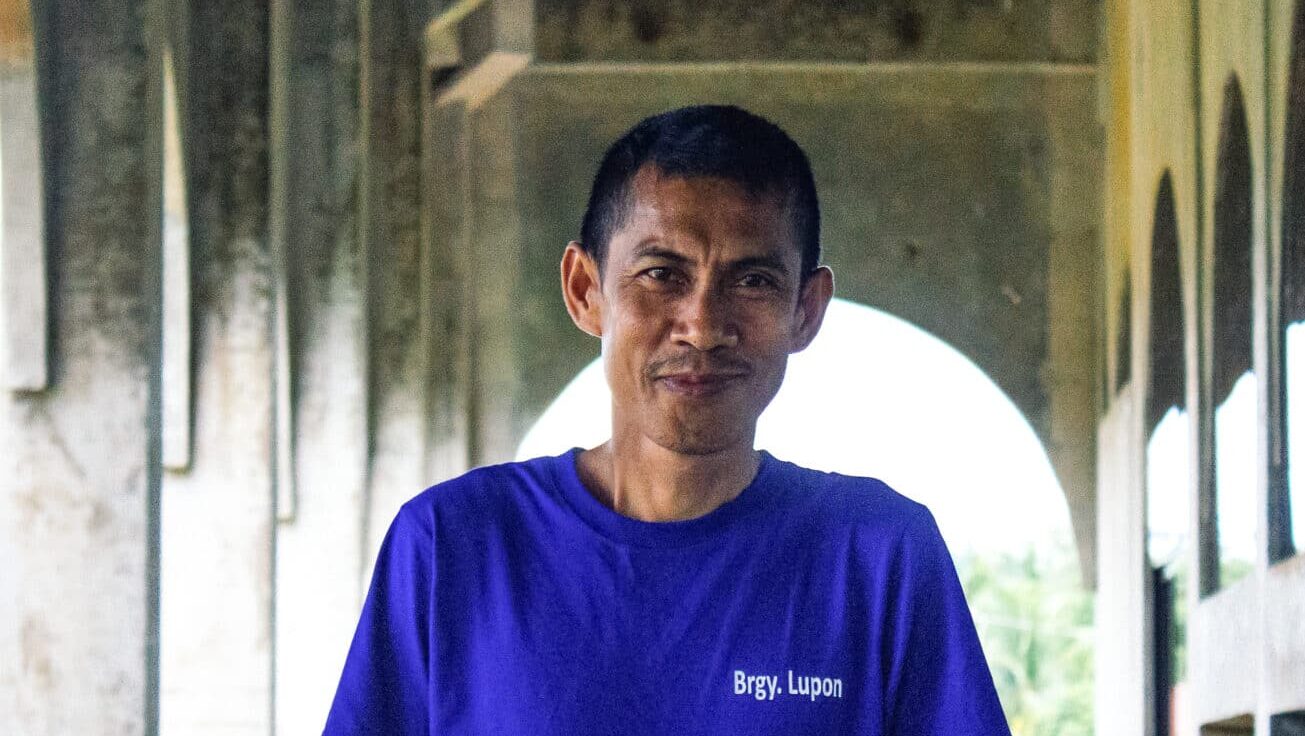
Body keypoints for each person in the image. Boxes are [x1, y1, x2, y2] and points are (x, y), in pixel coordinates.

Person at [323, 104, 1011, 735]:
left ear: (806, 309)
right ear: (585, 290)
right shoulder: (454, 547)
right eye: (661, 274)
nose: (704, 327)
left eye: (753, 281)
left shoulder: (877, 556)